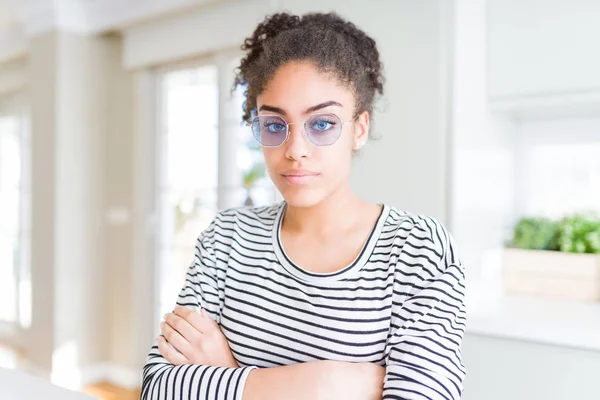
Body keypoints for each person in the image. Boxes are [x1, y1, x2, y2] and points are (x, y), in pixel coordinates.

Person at [141, 11, 466, 400]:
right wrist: (328, 384)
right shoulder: (227, 239)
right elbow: (158, 387)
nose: (295, 151)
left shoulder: (419, 250)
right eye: (275, 125)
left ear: (359, 129)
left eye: (322, 124)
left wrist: (227, 375)